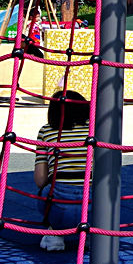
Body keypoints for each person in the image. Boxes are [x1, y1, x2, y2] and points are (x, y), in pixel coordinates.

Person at [34, 90, 90, 251]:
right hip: (94, 207)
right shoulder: (95, 130)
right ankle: (93, 235)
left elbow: (40, 179)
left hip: (59, 206)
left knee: (45, 189)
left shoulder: (46, 131)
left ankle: (56, 233)